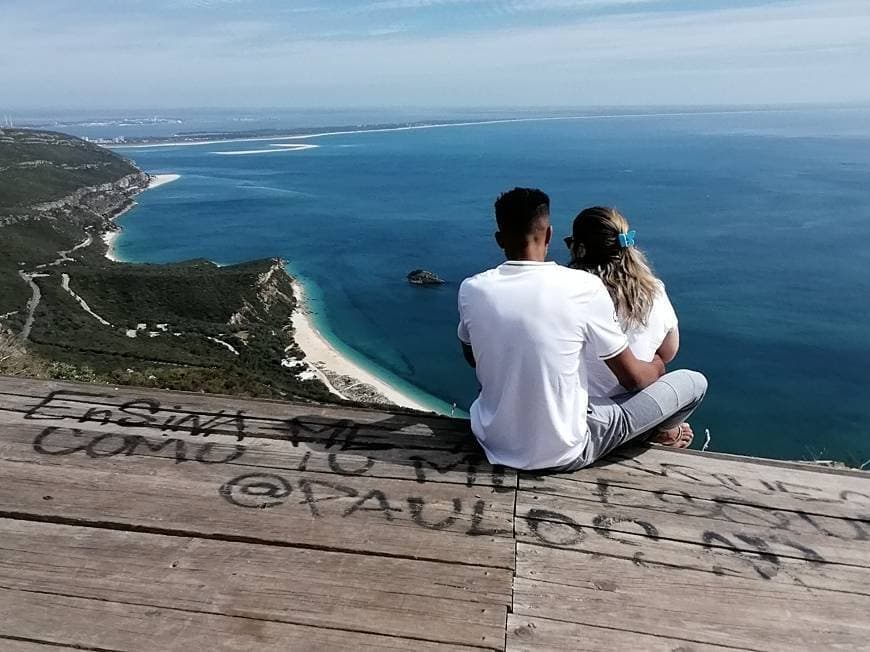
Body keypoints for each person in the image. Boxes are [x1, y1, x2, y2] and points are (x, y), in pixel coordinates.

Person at [456, 188, 707, 472]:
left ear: (500, 239)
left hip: (492, 439)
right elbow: (633, 378)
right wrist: (659, 364)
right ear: (549, 235)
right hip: (567, 450)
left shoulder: (472, 288)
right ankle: (659, 432)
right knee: (694, 382)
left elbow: (473, 357)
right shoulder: (582, 288)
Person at [566, 206, 691, 448]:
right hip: (632, 410)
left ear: (579, 248)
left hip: (573, 411)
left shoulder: (568, 292)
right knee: (694, 383)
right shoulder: (654, 291)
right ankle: (660, 430)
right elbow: (669, 351)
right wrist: (654, 363)